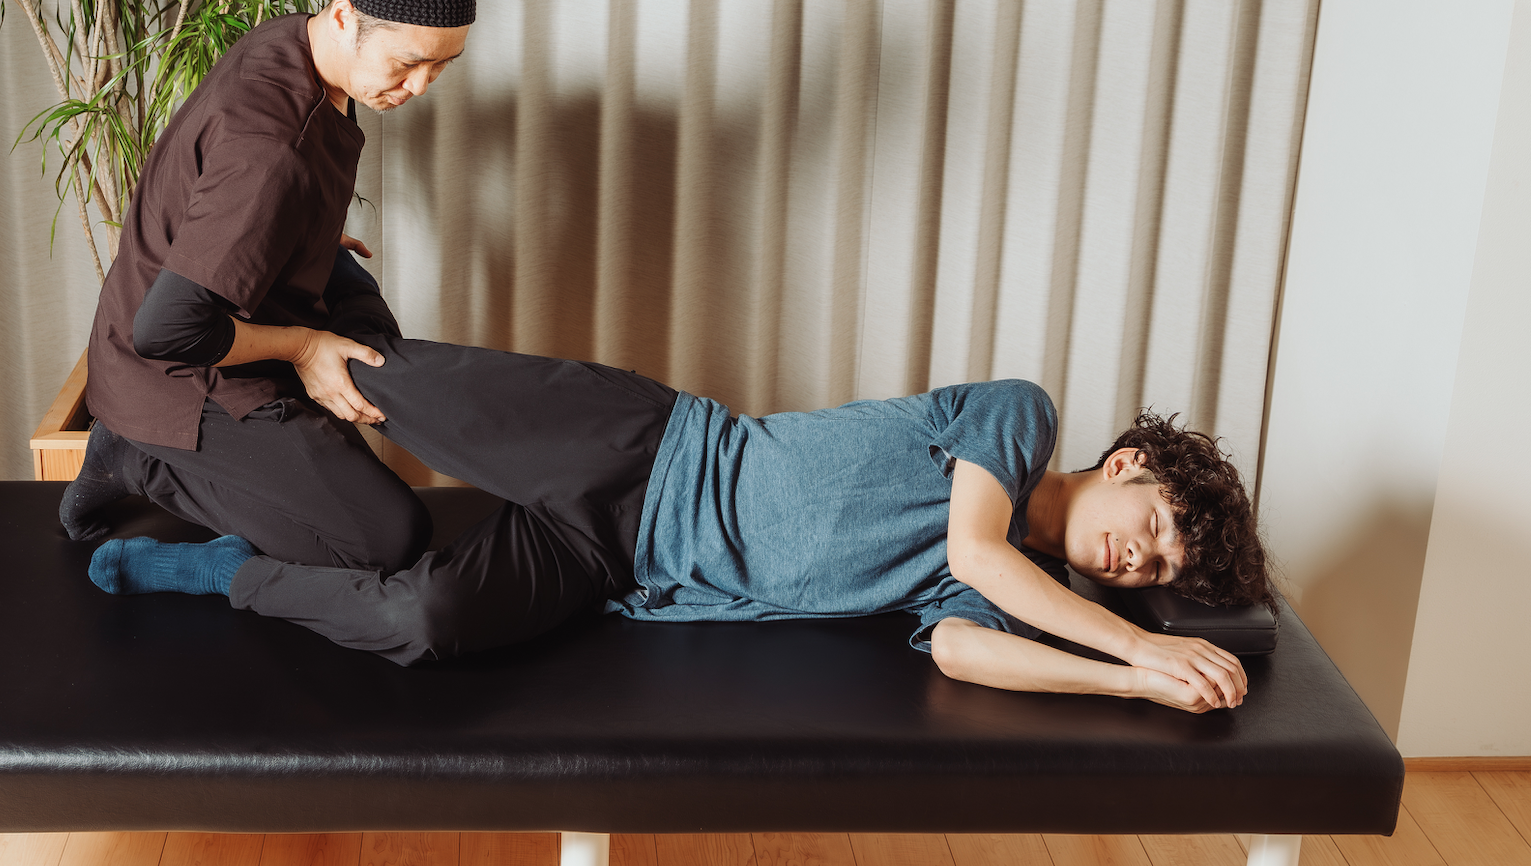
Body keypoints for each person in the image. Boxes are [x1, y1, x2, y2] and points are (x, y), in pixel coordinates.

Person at [79, 278, 1273, 715]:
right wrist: (1137, 646)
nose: (1138, 562)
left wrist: (1129, 679)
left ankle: (218, 568)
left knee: (419, 622)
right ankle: (156, 400)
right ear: (1126, 463)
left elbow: (961, 649)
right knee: (375, 375)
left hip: (621, 565)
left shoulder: (1012, 597)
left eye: (1160, 571)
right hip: (636, 446)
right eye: (1155, 530)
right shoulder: (1018, 418)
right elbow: (975, 548)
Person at [61, 0, 476, 577]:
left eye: (441, 65)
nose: (421, 85)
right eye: (407, 63)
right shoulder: (270, 152)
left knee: (374, 337)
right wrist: (305, 348)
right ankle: (135, 458)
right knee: (388, 541)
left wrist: (296, 232)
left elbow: (226, 188)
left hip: (244, 297)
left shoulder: (297, 41)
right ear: (344, 16)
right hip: (174, 369)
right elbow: (167, 330)